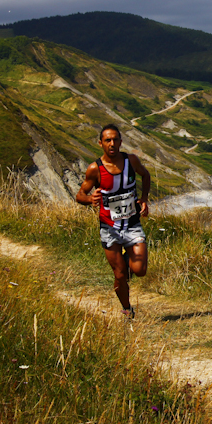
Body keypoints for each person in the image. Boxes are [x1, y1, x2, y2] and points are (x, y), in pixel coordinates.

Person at [76, 124, 151, 319]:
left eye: (115, 139)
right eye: (107, 140)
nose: (112, 144)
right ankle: (127, 309)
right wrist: (89, 200)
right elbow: (80, 195)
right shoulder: (95, 169)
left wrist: (144, 199)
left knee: (140, 270)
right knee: (119, 276)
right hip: (109, 228)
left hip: (132, 224)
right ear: (100, 143)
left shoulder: (130, 160)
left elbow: (146, 175)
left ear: (120, 142)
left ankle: (126, 264)